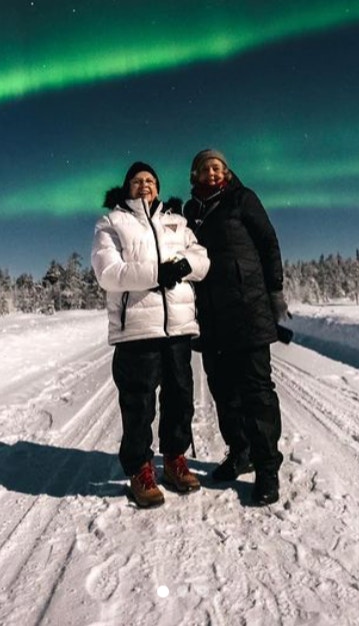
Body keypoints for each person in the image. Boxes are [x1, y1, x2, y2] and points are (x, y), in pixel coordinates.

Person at [91, 161, 210, 508]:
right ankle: (140, 468)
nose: (144, 185)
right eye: (137, 181)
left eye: (150, 180)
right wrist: (160, 272)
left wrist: (186, 265)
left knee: (179, 397)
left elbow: (202, 259)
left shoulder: (177, 221)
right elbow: (109, 273)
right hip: (137, 330)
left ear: (158, 187)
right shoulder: (111, 223)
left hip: (178, 326)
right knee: (138, 404)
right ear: (127, 187)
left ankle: (174, 459)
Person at [182, 148, 289, 506]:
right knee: (223, 389)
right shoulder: (191, 212)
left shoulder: (243, 199)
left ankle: (267, 467)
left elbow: (268, 243)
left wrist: (274, 292)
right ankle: (239, 452)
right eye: (205, 168)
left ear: (226, 172)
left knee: (256, 390)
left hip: (248, 309)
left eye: (218, 167)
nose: (212, 173)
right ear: (195, 175)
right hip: (211, 316)